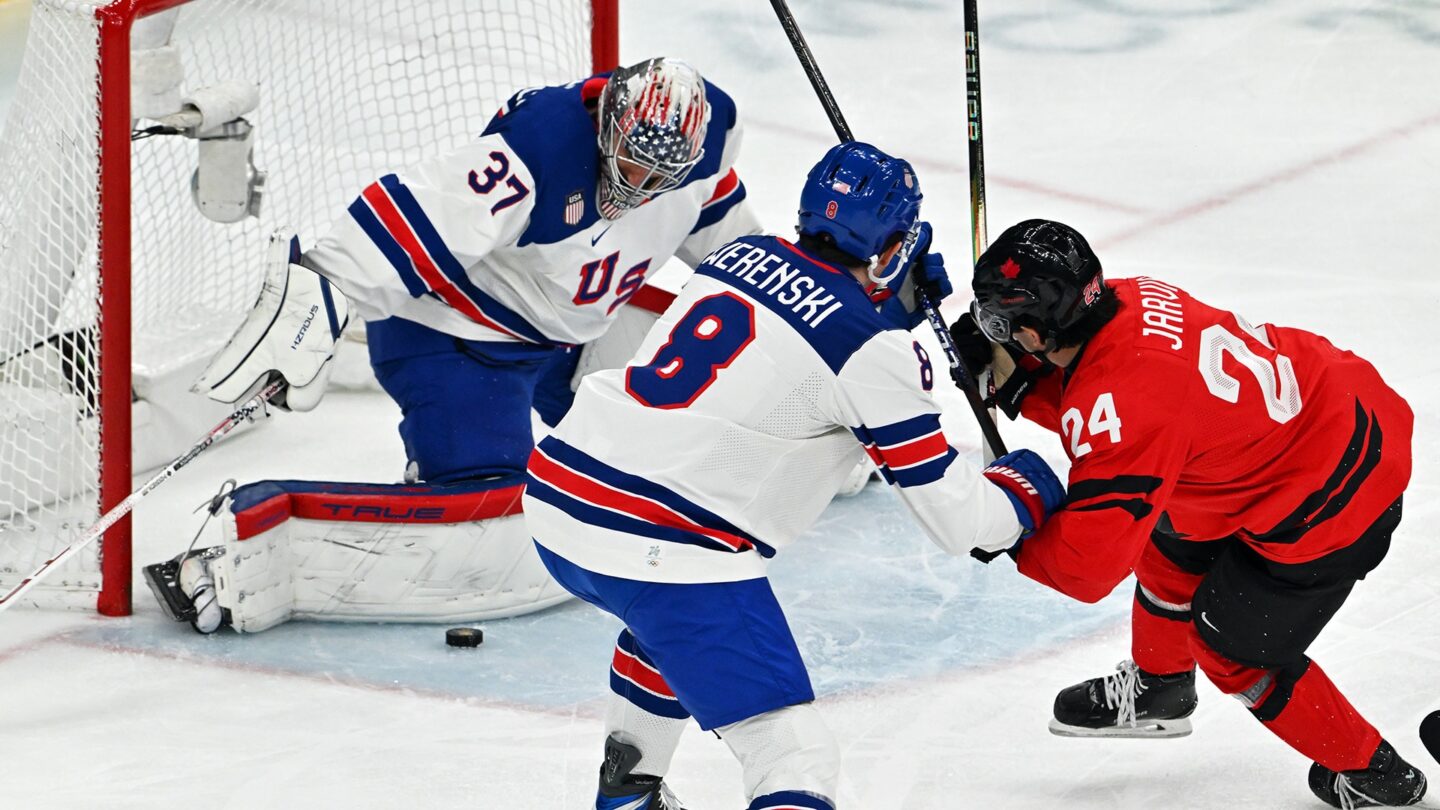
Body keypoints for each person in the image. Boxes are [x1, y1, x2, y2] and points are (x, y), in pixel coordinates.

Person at [524, 143, 1066, 810]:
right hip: (661, 542)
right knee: (793, 754)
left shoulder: (736, 259)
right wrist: (1032, 484)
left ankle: (627, 791)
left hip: (559, 496)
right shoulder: (876, 354)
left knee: (667, 632)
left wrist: (886, 308)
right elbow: (960, 523)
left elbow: (800, 336)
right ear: (894, 246)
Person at [146, 58, 765, 634]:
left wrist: (802, 306)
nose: (642, 188)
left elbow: (722, 231)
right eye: (631, 167)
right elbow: (415, 213)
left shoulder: (714, 133)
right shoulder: (541, 146)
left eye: (663, 177)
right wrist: (317, 300)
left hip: (571, 336)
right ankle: (236, 558)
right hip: (457, 340)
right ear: (609, 126)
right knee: (493, 509)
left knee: (659, 451)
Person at [953, 218, 1427, 808]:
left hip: (1337, 499)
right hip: (1330, 410)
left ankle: (1375, 774)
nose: (993, 333)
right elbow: (1125, 404)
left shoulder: (1123, 401)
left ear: (1037, 326)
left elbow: (1086, 567)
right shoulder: (1126, 297)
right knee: (1166, 528)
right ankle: (1161, 688)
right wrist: (1017, 379)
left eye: (1000, 324)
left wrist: (1007, 530)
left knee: (1230, 649)